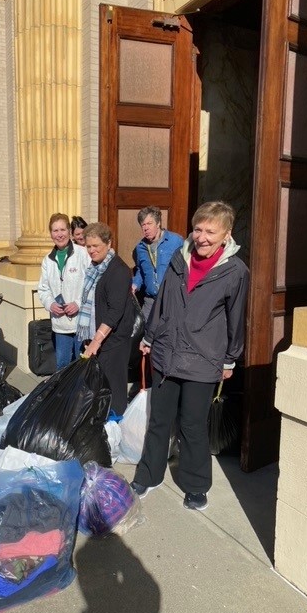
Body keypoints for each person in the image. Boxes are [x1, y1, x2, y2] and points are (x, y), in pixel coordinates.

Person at [131, 201, 249, 511]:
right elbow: (162, 302)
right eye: (198, 229)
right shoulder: (178, 260)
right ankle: (149, 474)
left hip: (202, 359)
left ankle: (196, 485)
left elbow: (236, 320)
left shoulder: (235, 271)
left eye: (211, 231)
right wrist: (150, 336)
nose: (202, 237)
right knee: (158, 420)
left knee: (192, 425)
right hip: (167, 353)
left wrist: (229, 359)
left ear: (226, 234)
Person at [78, 222, 134, 418]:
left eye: (96, 246)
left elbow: (115, 311)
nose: (91, 251)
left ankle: (116, 424)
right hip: (98, 337)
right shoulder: (95, 268)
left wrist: (96, 341)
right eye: (88, 246)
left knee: (114, 386)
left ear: (109, 244)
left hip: (113, 340)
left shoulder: (118, 270)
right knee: (99, 385)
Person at [38, 213, 90, 370]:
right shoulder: (48, 260)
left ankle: (82, 395)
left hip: (82, 322)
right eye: (55, 231)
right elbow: (43, 289)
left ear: (69, 231)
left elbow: (92, 285)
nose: (59, 234)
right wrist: (50, 303)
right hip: (61, 324)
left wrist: (78, 303)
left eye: (62, 229)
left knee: (83, 364)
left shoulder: (83, 253)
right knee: (63, 365)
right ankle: (65, 394)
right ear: (50, 233)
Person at [132, 206, 183, 320]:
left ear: (158, 223)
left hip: (171, 300)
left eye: (149, 223)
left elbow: (186, 268)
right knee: (142, 332)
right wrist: (135, 284)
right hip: (151, 300)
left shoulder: (176, 241)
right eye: (143, 225)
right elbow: (141, 270)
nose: (146, 228)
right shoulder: (140, 248)